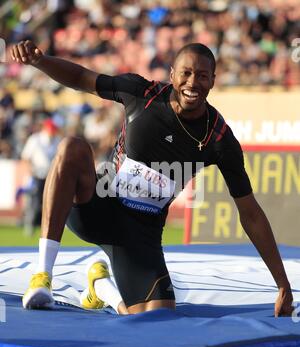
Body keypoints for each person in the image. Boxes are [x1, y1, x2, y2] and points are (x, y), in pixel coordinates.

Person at [11, 40, 294, 316]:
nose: (192, 83)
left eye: (202, 76)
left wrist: (282, 284)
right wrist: (40, 61)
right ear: (172, 74)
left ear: (213, 81)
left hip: (140, 236)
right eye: (186, 73)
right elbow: (82, 77)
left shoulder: (219, 139)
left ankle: (102, 289)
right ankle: (42, 277)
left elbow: (250, 214)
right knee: (71, 147)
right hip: (97, 208)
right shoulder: (141, 93)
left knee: (157, 318)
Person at [20, 118, 61, 235]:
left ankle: (50, 227)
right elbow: (26, 157)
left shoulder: (57, 140)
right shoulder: (35, 139)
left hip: (51, 176)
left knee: (51, 202)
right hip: (36, 175)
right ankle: (30, 225)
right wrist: (30, 172)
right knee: (35, 202)